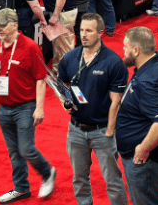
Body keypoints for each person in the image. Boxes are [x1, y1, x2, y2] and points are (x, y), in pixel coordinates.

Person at [0, 9, 56, 203]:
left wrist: (39, 108)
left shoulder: (30, 47)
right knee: (14, 151)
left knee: (25, 149)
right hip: (4, 108)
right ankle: (21, 187)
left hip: (25, 107)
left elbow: (41, 79)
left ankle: (47, 172)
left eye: (3, 24)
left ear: (15, 25)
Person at [57, 13, 128, 205]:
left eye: (89, 30)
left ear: (100, 33)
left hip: (103, 131)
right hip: (75, 130)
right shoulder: (70, 58)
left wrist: (110, 132)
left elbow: (116, 102)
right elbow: (62, 83)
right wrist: (67, 98)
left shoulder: (113, 62)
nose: (83, 34)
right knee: (79, 179)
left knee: (113, 181)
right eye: (81, 30)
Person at [116, 27, 158, 205]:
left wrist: (143, 148)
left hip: (147, 163)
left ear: (136, 50)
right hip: (154, 160)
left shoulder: (148, 81)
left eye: (125, 47)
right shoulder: (157, 63)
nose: (123, 50)